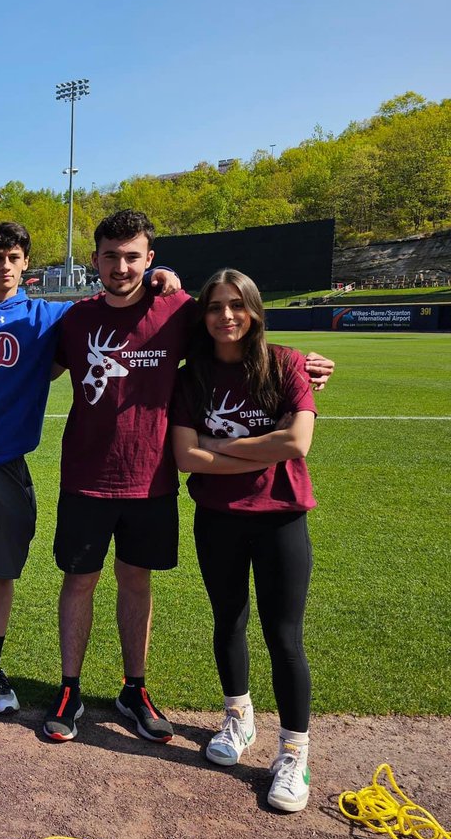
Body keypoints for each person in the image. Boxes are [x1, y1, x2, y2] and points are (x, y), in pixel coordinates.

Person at [43, 209, 333, 744]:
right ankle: (70, 688)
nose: (122, 266)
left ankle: (135, 689)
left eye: (133, 256)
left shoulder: (178, 308)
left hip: (151, 479)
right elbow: (35, 372)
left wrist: (302, 366)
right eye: (111, 255)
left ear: (150, 258)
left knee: (136, 581)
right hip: (85, 476)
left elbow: (239, 334)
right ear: (94, 261)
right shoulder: (76, 319)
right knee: (78, 581)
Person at [0, 221, 180, 723]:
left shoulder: (49, 315)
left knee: (2, 570)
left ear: (26, 263)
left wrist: (162, 274)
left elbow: (115, 296)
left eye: (13, 257)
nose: (4, 266)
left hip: (7, 466)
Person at [170, 268, 317, 813]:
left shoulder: (286, 363)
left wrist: (219, 445)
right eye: (215, 307)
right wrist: (264, 444)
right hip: (217, 517)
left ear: (254, 310)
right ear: (203, 315)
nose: (226, 316)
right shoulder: (193, 377)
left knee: (284, 636)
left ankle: (294, 753)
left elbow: (297, 444)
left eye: (237, 305)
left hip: (281, 517)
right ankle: (238, 718)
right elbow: (186, 457)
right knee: (228, 620)